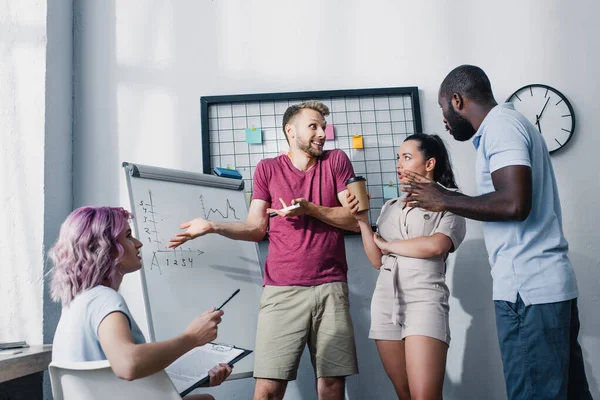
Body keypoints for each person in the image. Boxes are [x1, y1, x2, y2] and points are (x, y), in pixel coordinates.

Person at [400, 65, 591, 400]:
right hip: (543, 289)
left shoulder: (501, 126)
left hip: (528, 292)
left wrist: (444, 200)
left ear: (457, 101)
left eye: (444, 109)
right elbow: (506, 199)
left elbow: (515, 204)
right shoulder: (508, 124)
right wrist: (448, 197)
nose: (444, 120)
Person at [169, 101, 360, 400]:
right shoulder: (267, 169)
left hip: (331, 287)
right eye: (314, 126)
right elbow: (256, 228)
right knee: (268, 390)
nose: (322, 133)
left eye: (323, 126)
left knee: (332, 386)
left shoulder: (336, 161)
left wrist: (310, 209)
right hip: (281, 291)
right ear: (290, 130)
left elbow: (354, 221)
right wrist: (212, 225)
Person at [50, 206, 232, 400]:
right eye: (128, 236)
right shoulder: (104, 299)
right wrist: (191, 338)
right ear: (105, 248)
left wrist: (194, 377)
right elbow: (128, 364)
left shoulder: (75, 302)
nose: (138, 243)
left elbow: (111, 374)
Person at [347, 133, 466, 400]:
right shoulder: (391, 206)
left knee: (425, 396)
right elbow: (377, 260)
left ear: (429, 163)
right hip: (386, 301)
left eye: (407, 157)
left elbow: (436, 245)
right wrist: (363, 222)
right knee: (404, 394)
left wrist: (388, 246)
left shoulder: (451, 201)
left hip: (425, 299)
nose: (399, 164)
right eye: (398, 158)